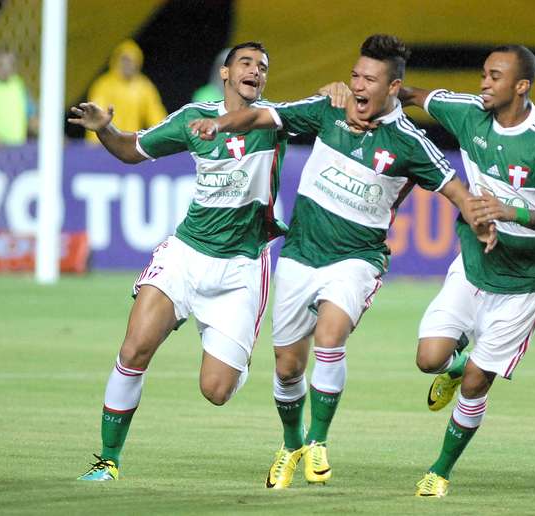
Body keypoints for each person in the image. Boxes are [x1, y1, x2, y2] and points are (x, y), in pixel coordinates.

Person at [190, 34, 495, 490]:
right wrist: (223, 124)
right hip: (300, 253)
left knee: (331, 334)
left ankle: (318, 441)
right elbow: (263, 114)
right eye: (355, 75)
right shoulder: (328, 110)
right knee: (288, 367)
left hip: (357, 258)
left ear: (392, 88)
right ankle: (291, 443)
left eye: (369, 78)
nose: (357, 85)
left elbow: (454, 188)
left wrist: (480, 218)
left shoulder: (409, 143)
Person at [68, 41, 289, 482]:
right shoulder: (193, 120)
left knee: (216, 391)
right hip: (187, 255)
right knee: (133, 349)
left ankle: (236, 350)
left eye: (262, 67)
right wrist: (105, 131)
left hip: (242, 268)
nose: (255, 71)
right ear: (225, 74)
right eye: (245, 63)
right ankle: (107, 460)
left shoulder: (277, 121)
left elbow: (327, 112)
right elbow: (133, 150)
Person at [394, 45, 535, 497]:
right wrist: (367, 92)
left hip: (525, 282)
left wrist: (509, 212)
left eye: (495, 76)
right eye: (483, 74)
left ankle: (440, 470)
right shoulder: (467, 112)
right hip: (474, 266)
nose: (484, 83)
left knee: (477, 382)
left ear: (521, 86)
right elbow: (409, 94)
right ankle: (454, 363)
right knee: (428, 360)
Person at [85, 39, 167, 145]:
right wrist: (95, 144)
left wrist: (164, 138)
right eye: (124, 60)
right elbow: (96, 115)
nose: (127, 64)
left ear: (138, 62)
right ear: (116, 60)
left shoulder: (144, 86)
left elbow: (156, 116)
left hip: (131, 145)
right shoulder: (103, 85)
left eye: (132, 61)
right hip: (106, 144)